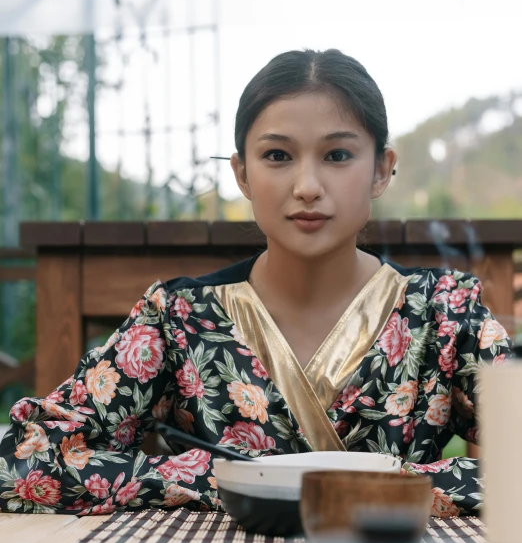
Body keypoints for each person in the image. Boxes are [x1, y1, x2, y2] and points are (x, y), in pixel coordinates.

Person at [0, 49, 511, 517]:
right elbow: (23, 461)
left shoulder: (445, 315)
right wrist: (211, 477)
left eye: (337, 156)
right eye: (277, 156)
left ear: (381, 170)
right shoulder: (178, 319)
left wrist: (385, 484)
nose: (307, 187)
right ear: (242, 174)